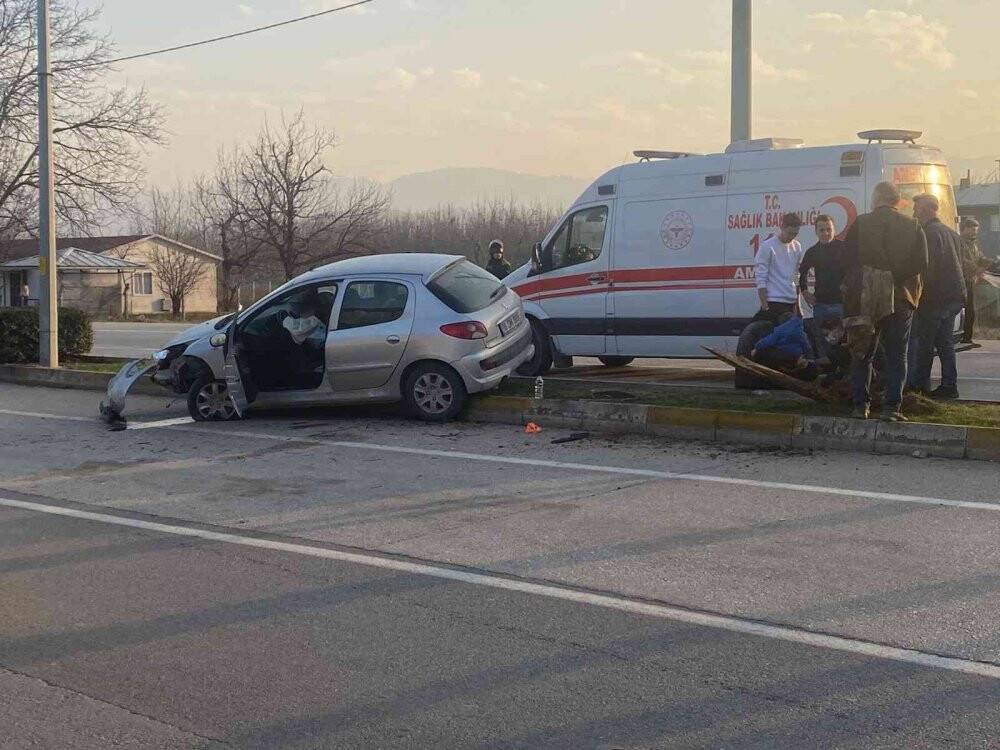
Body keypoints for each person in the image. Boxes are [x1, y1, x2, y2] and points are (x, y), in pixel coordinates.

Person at [843, 181, 928, 422]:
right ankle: (892, 408)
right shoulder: (912, 226)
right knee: (897, 354)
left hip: (866, 298)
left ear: (876, 198)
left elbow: (847, 261)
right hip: (901, 298)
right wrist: (895, 277)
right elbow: (922, 263)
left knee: (863, 353)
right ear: (897, 201)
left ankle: (861, 406)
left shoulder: (861, 222)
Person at [908, 194, 966, 399]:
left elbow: (926, 270)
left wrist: (916, 296)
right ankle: (950, 385)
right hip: (954, 297)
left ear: (924, 210)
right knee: (945, 343)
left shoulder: (927, 234)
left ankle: (918, 387)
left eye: (916, 210)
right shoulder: (951, 233)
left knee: (924, 343)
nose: (914, 213)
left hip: (934, 299)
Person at [798, 213, 846, 357]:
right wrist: (805, 292)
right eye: (822, 230)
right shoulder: (812, 252)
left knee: (843, 342)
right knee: (823, 344)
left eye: (828, 229)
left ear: (834, 230)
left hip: (841, 304)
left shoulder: (843, 248)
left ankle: (842, 374)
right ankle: (826, 373)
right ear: (816, 232)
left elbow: (855, 271)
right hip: (821, 305)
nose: (826, 233)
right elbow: (802, 273)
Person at [755, 213, 804, 321]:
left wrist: (797, 303)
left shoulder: (797, 247)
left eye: (795, 234)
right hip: (773, 301)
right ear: (781, 227)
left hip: (790, 301)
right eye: (789, 233)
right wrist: (765, 306)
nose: (791, 237)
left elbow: (796, 275)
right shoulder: (767, 246)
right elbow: (761, 278)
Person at [958, 217, 1000, 344]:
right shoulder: (959, 242)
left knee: (971, 309)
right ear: (964, 229)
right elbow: (964, 261)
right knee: (965, 309)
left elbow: (980, 257)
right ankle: (962, 337)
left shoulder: (974, 244)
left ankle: (967, 337)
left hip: (971, 280)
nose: (975, 233)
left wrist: (992, 262)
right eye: (972, 230)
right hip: (962, 280)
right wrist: (977, 269)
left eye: (976, 230)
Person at [750, 313, 818, 381]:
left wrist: (757, 348)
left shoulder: (783, 330)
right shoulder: (799, 332)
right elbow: (807, 346)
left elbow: (771, 339)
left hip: (783, 353)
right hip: (793, 355)